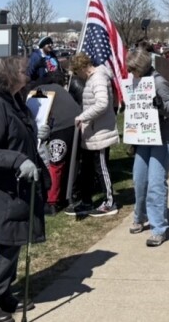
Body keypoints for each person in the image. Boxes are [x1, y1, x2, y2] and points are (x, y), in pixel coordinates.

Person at [0, 56, 49, 322]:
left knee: (16, 238)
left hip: (17, 184)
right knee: (9, 241)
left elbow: (19, 137)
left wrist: (38, 132)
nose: (28, 74)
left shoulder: (13, 100)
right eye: (24, 71)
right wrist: (19, 160)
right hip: (1, 187)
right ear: (10, 74)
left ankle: (2, 294)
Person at [127, 46, 169, 247]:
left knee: (156, 182)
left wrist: (160, 105)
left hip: (162, 138)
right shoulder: (135, 82)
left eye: (133, 69)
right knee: (139, 180)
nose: (131, 73)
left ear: (142, 66)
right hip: (142, 138)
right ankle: (140, 216)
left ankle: (158, 228)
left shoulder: (159, 82)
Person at [64, 53, 120, 217]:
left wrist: (83, 116)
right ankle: (86, 201)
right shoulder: (92, 79)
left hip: (100, 131)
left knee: (101, 167)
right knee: (87, 167)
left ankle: (110, 202)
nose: (78, 76)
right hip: (91, 131)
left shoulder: (98, 79)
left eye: (77, 72)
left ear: (82, 68)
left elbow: (102, 103)